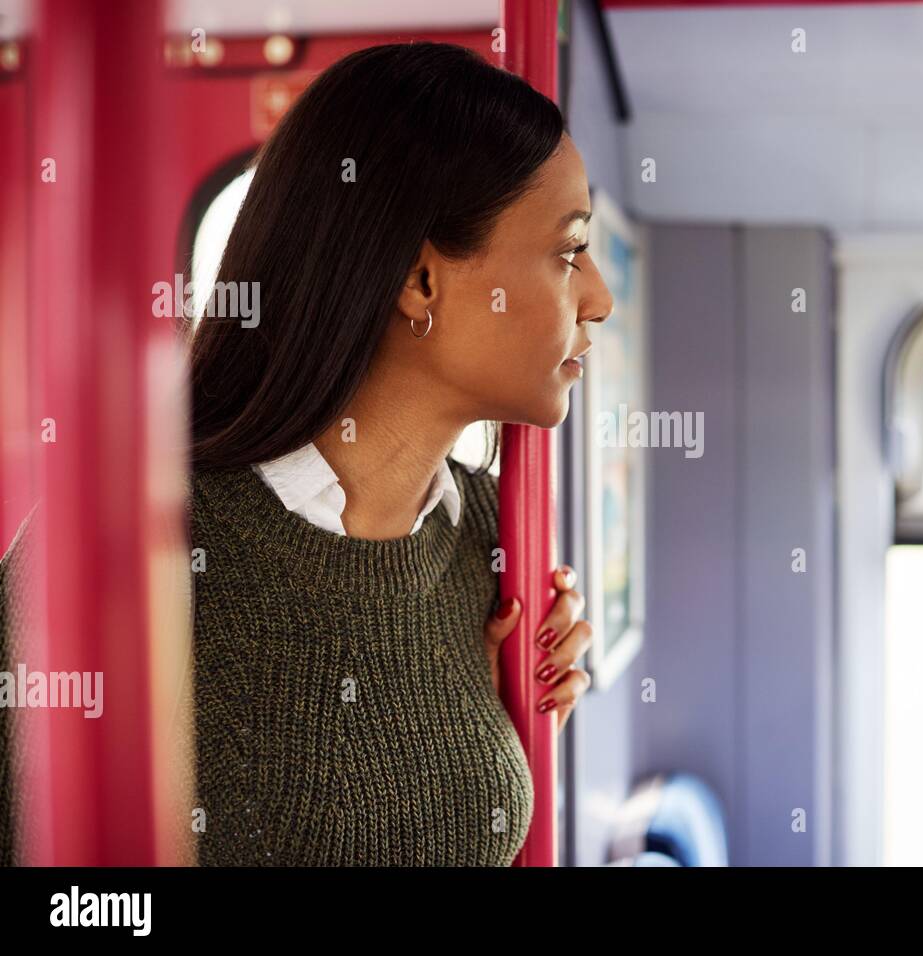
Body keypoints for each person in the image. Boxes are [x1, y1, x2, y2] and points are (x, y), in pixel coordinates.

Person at [0, 41, 613, 867]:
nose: (599, 299)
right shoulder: (122, 549)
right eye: (568, 251)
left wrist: (514, 720)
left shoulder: (487, 543)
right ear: (420, 281)